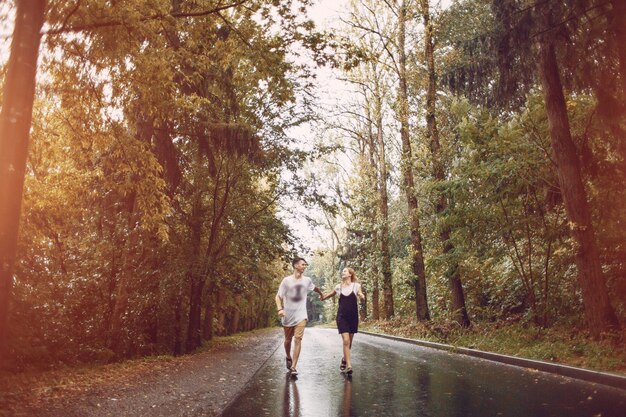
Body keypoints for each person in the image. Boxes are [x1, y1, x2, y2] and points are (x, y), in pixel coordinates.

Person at [275, 257, 323, 376]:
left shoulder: (307, 280)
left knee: (298, 339)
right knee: (287, 340)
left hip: (301, 315)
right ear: (296, 265)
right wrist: (280, 309)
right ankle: (288, 356)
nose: (304, 266)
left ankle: (293, 366)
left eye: (305, 265)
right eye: (303, 264)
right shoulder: (286, 281)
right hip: (288, 315)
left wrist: (321, 294)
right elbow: (278, 297)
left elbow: (314, 287)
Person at [320, 267, 365, 375]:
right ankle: (349, 366)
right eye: (342, 271)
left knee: (349, 342)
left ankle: (344, 359)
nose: (342, 272)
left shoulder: (356, 286)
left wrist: (361, 296)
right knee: (346, 341)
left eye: (345, 271)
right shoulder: (338, 287)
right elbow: (331, 294)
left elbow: (360, 294)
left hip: (353, 317)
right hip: (342, 317)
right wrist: (323, 297)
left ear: (350, 274)